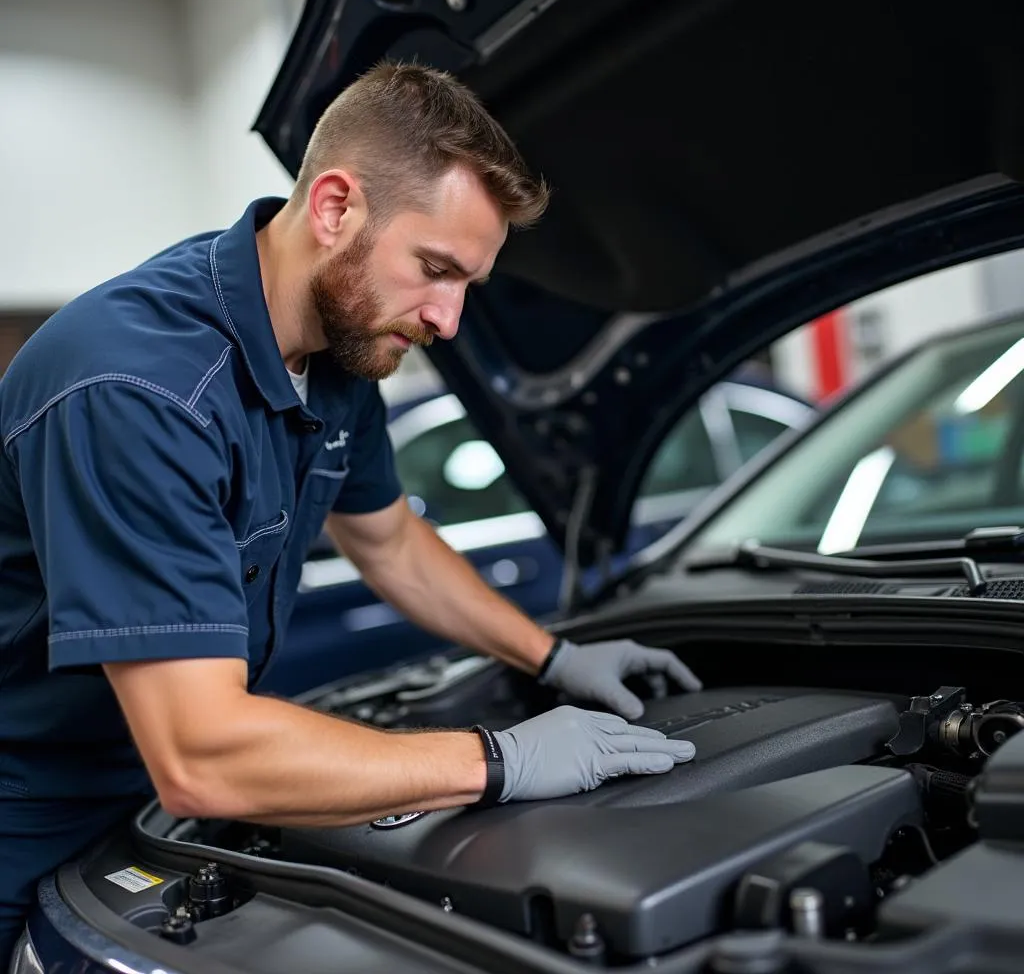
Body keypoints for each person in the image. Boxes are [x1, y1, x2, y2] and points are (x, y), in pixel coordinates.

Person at [0, 61, 700, 964]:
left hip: (151, 800)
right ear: (335, 208)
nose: (447, 319)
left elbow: (391, 542)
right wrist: (499, 761)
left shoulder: (340, 350)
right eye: (436, 269)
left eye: (468, 286)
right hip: (26, 816)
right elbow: (203, 750)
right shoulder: (138, 388)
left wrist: (554, 655)